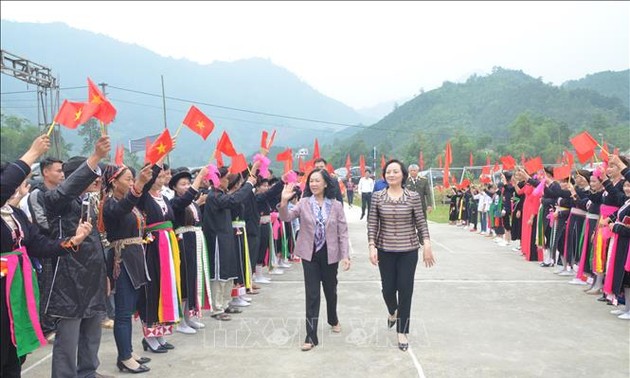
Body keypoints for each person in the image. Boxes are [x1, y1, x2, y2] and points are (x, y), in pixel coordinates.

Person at [41, 136, 113, 377]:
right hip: (68, 281)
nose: (96, 180)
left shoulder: (88, 202)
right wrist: (95, 157)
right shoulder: (55, 202)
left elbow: (95, 243)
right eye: (91, 174)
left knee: (92, 334)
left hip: (92, 278)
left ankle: (88, 372)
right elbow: (64, 192)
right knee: (68, 342)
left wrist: (104, 275)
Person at [278, 168, 351, 351]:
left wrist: (345, 256)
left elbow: (342, 232)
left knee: (330, 289)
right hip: (309, 254)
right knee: (312, 294)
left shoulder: (336, 205)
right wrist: (284, 201)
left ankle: (332, 318)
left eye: (317, 181)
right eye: (311, 181)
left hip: (330, 253)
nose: (314, 184)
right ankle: (311, 336)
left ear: (326, 183)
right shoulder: (303, 203)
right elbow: (286, 217)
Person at [367, 159, 434, 352]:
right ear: (384, 175)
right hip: (385, 249)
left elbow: (421, 223)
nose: (392, 175)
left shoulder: (412, 196)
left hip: (408, 250)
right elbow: (372, 224)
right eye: (388, 172)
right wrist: (372, 246)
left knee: (405, 289)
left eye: (396, 171)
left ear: (403, 174)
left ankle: (402, 331)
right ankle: (392, 312)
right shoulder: (378, 197)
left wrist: (427, 243)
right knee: (388, 289)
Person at [100, 164, 155, 373]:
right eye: (128, 179)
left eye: (133, 179)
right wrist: (140, 183)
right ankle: (124, 357)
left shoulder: (129, 204)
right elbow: (124, 206)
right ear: (114, 182)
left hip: (134, 258)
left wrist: (152, 170)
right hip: (121, 260)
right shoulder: (110, 204)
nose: (132, 182)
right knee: (122, 312)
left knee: (130, 309)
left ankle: (128, 351)